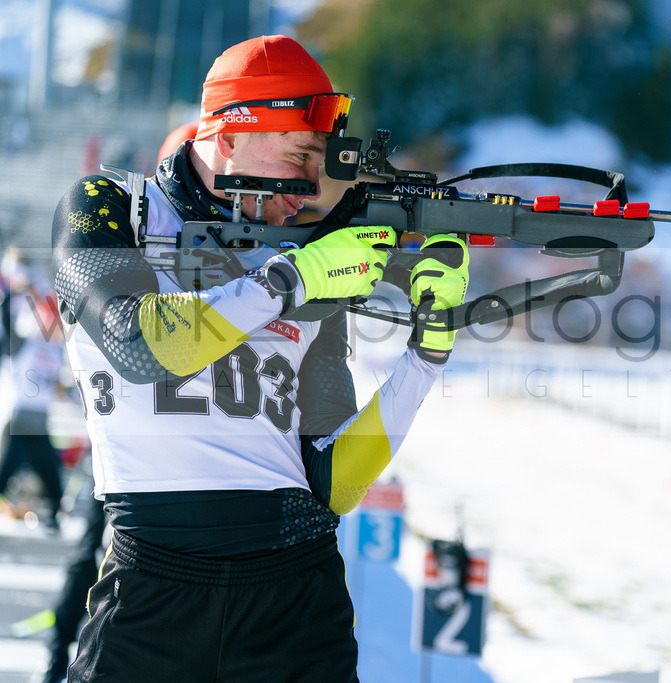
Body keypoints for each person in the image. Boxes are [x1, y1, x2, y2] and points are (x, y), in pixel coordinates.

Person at [51, 35, 468, 682]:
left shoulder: (303, 246)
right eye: (300, 154)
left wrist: (427, 352)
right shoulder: (117, 208)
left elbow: (333, 483)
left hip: (295, 595)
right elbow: (137, 344)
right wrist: (289, 282)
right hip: (154, 583)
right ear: (230, 133)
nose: (309, 184)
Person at [35, 120, 201, 683]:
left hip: (186, 458)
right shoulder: (139, 234)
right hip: (128, 450)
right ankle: (61, 661)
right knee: (96, 559)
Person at [0, 290, 67, 530]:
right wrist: (9, 295)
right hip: (18, 421)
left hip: (40, 423)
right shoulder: (25, 343)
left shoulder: (58, 349)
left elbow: (57, 385)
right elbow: (6, 324)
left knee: (51, 475)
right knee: (4, 472)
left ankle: (52, 516)